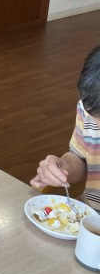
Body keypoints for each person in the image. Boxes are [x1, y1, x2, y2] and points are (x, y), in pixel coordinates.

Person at [31, 46, 100, 211]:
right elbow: (82, 158)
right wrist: (63, 168)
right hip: (88, 214)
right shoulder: (90, 105)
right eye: (94, 119)